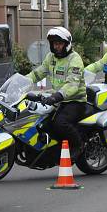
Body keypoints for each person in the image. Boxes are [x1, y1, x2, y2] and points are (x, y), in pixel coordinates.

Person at [27, 27, 87, 156]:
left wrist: (57, 96)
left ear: (66, 44)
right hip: (57, 98)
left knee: (60, 123)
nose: (57, 47)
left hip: (75, 100)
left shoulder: (74, 59)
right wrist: (22, 82)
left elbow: (72, 84)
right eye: (55, 44)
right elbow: (38, 73)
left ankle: (78, 145)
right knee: (40, 120)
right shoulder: (51, 57)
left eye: (59, 44)